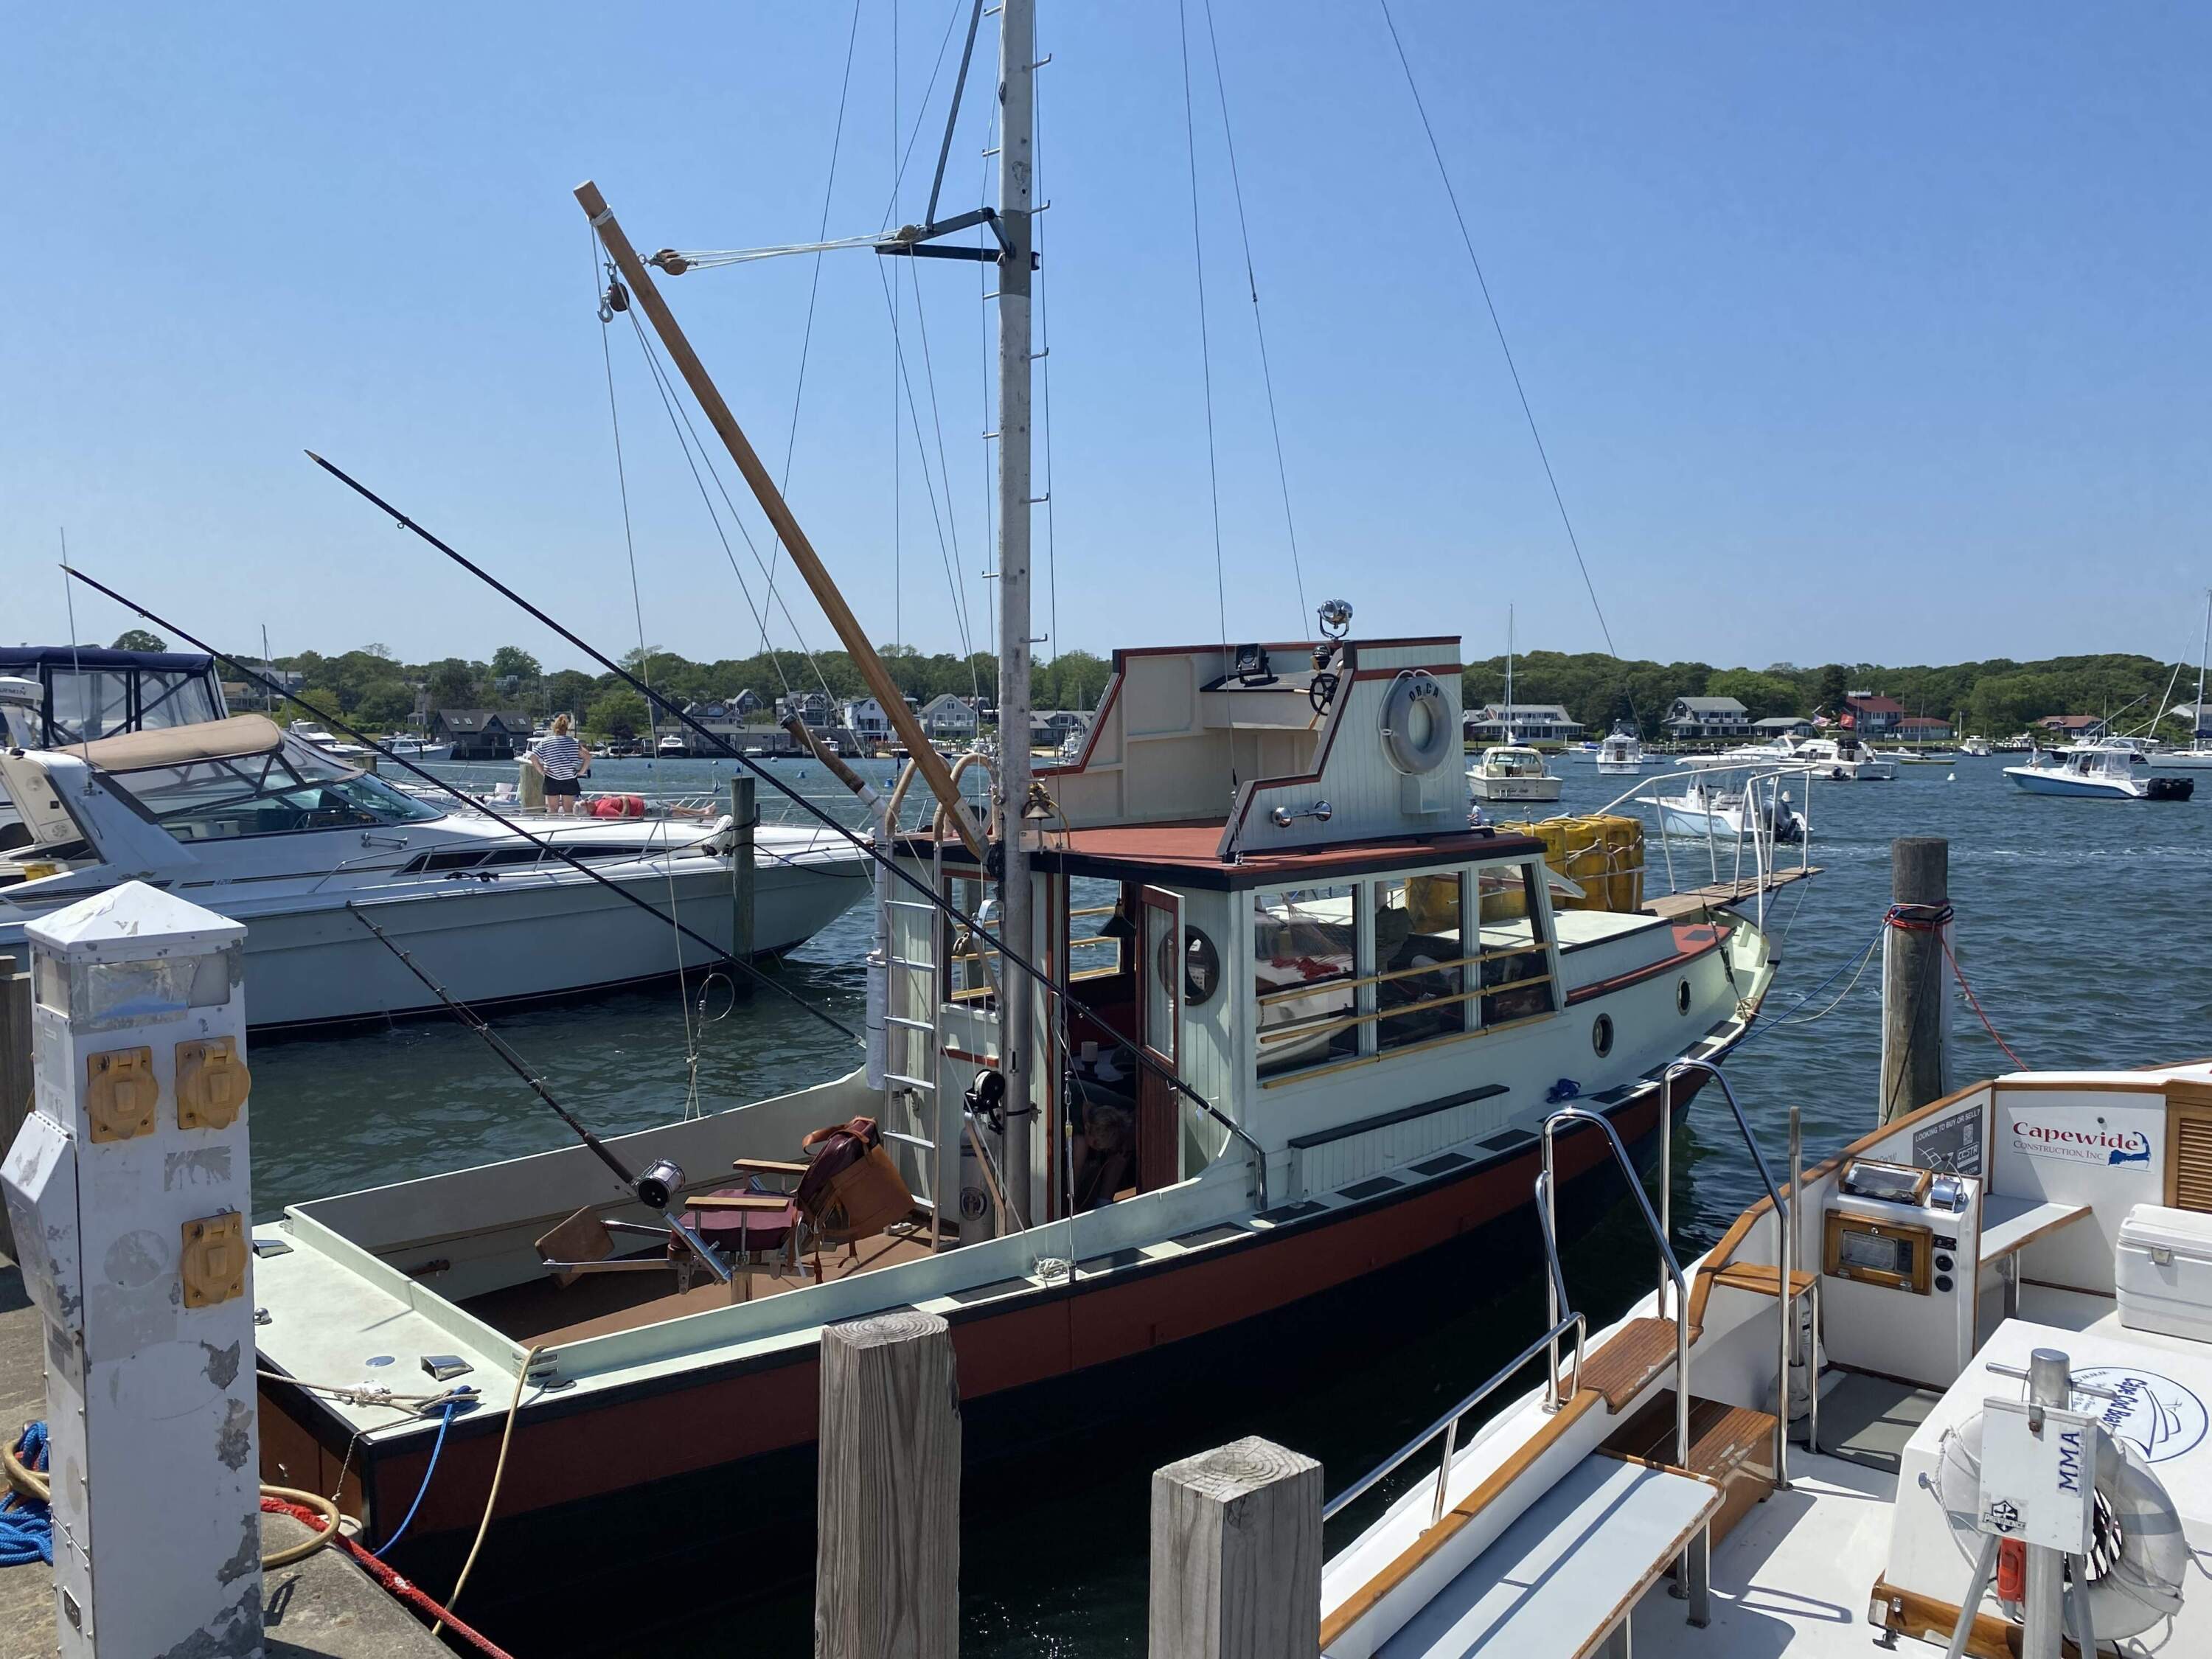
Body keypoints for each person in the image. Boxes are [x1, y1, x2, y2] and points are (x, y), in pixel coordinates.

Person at [528, 714, 591, 815]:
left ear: (554, 728)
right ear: (567, 729)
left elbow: (533, 756)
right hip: (569, 778)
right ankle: (567, 829)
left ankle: (553, 829)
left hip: (552, 778)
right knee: (569, 810)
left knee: (553, 809)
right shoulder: (574, 742)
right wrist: (582, 771)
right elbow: (587, 756)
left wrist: (541, 771)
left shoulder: (545, 742)